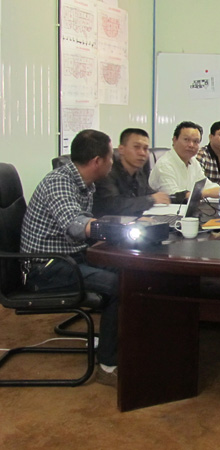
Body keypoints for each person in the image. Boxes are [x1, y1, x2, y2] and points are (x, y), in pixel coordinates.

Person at [20, 129, 120, 387]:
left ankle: (118, 341)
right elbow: (75, 224)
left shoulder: (84, 184)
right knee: (119, 285)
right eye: (111, 157)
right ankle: (108, 365)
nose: (113, 162)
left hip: (70, 258)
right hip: (45, 269)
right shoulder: (59, 181)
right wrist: (114, 230)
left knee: (130, 271)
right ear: (97, 161)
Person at [93, 128, 171, 217]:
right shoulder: (107, 172)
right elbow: (113, 205)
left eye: (145, 148)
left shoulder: (139, 172)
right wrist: (151, 199)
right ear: (121, 149)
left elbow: (149, 193)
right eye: (136, 147)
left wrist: (174, 197)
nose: (142, 153)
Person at [148, 121, 220, 202]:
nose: (191, 145)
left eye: (196, 141)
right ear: (174, 140)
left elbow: (207, 185)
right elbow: (174, 197)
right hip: (169, 208)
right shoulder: (164, 164)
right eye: (186, 140)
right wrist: (207, 193)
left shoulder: (193, 162)